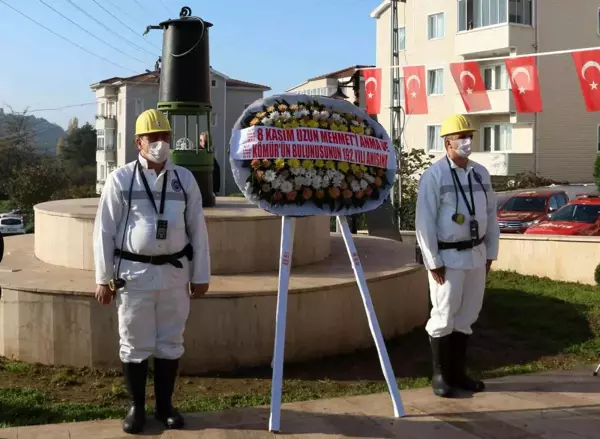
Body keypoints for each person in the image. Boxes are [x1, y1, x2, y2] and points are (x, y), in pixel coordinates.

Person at [93, 109, 211, 434]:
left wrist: (201, 275)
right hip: (134, 275)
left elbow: (197, 230)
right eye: (154, 138)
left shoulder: (184, 180)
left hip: (175, 274)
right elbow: (104, 230)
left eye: (165, 137)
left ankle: (165, 406)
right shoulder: (121, 179)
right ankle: (137, 408)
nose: (161, 144)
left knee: (170, 341)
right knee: (134, 341)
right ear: (138, 142)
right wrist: (103, 278)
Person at [415, 114, 500, 398]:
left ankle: (458, 373)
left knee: (468, 315)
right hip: (448, 259)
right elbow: (424, 221)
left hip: (476, 255)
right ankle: (440, 375)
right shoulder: (435, 175)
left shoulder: (480, 173)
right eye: (462, 137)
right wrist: (432, 261)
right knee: (443, 315)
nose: (467, 142)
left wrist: (491, 253)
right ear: (447, 142)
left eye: (470, 136)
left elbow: (490, 215)